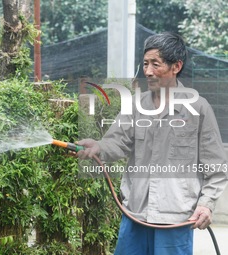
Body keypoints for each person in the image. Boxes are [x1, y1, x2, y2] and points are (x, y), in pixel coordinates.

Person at [77, 32, 228, 254]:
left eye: (155, 64)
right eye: (145, 63)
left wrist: (206, 204)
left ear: (176, 66)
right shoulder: (136, 105)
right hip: (135, 213)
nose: (148, 71)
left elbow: (216, 168)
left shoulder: (198, 108)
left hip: (176, 218)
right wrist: (99, 147)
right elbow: (117, 141)